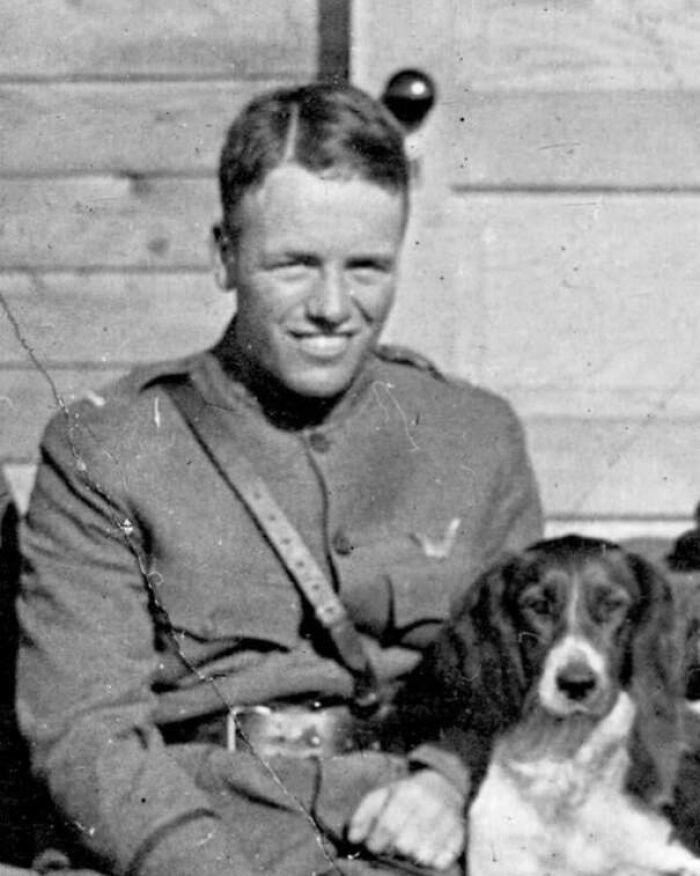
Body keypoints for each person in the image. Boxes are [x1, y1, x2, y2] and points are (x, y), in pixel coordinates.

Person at [16, 83, 543, 876]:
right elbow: (86, 729)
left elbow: (524, 671)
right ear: (224, 256)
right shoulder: (108, 446)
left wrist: (448, 780)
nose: (333, 307)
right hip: (199, 836)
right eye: (294, 265)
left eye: (366, 268)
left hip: (423, 834)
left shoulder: (476, 434)